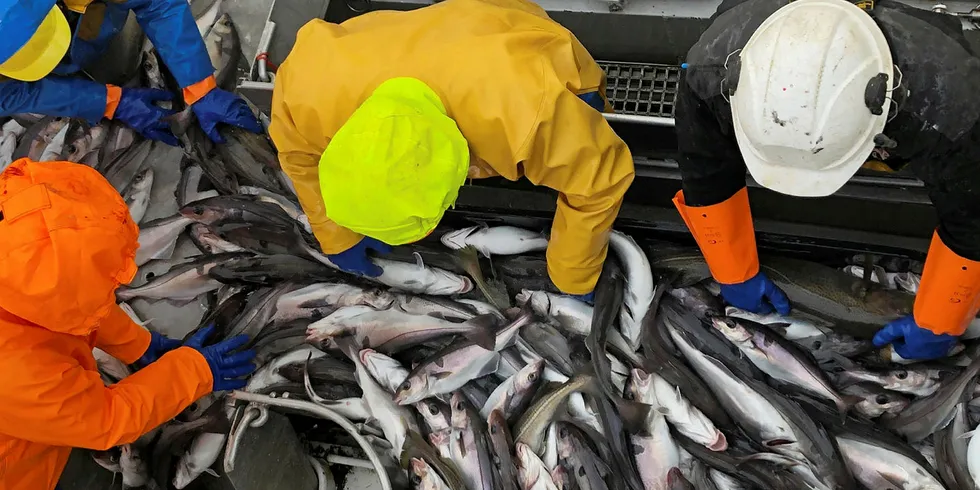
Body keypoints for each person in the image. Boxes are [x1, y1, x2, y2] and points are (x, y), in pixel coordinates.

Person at [268, 0, 635, 302]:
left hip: (518, 39)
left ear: (461, 173)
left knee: (581, 130)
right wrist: (336, 233)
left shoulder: (529, 116)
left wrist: (573, 274)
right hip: (437, 41)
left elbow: (600, 178)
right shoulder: (305, 89)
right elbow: (299, 157)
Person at [674, 0, 980, 360]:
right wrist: (731, 271)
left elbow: (972, 219)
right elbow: (704, 172)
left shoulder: (950, 105)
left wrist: (941, 319)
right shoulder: (711, 70)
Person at [0, 158, 256, 490]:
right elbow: (107, 420)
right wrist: (196, 372)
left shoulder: (20, 263)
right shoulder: (16, 373)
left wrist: (139, 344)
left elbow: (69, 302)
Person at [0, 0, 263, 145]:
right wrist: (113, 102)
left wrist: (199, 85)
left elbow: (158, 4)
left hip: (96, 24)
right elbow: (10, 93)